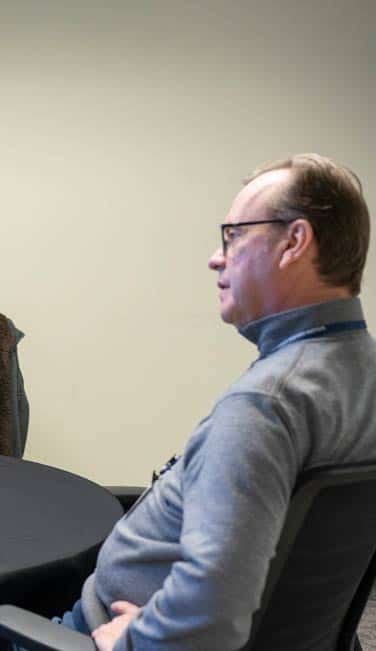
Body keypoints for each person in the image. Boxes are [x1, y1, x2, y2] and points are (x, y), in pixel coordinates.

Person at [60, 153, 376, 651]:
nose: (216, 256)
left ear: (295, 242)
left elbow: (209, 621)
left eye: (234, 235)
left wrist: (132, 641)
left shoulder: (265, 407)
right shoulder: (361, 374)